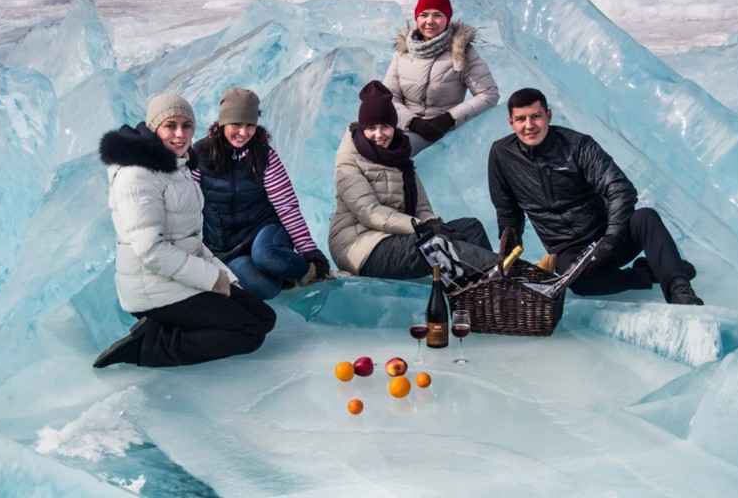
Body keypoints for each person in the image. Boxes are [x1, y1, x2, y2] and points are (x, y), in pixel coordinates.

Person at [94, 92, 276, 368]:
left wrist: (226, 277)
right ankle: (150, 347)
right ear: (155, 128)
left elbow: (190, 239)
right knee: (249, 333)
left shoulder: (176, 167)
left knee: (264, 318)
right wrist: (212, 279)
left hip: (178, 277)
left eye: (186, 125)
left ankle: (162, 328)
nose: (180, 134)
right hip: (154, 288)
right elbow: (152, 251)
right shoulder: (137, 176)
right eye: (170, 126)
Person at [487, 88, 703, 305]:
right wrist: (508, 261)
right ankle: (650, 272)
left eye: (536, 116)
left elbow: (620, 188)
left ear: (548, 116)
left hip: (610, 235)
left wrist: (610, 240)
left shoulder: (577, 145)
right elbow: (508, 212)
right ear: (511, 122)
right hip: (568, 250)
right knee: (577, 283)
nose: (529, 125)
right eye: (521, 119)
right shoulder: (502, 154)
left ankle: (679, 289)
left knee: (645, 217)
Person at [329, 80, 498, 280]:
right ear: (362, 127)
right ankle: (503, 274)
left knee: (469, 228)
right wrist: (421, 227)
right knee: (435, 246)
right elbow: (368, 212)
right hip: (360, 246)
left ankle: (482, 291)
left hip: (399, 236)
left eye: (385, 126)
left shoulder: (400, 156)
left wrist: (432, 224)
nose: (379, 134)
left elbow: (422, 209)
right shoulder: (349, 160)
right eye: (371, 127)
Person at [194, 87, 331, 301]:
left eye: (250, 125)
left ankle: (308, 273)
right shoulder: (200, 155)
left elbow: (286, 206)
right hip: (226, 248)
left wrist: (310, 253)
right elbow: (187, 205)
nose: (243, 132)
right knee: (263, 288)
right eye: (236, 124)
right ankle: (280, 276)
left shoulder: (264, 155)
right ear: (223, 123)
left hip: (265, 233)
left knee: (266, 255)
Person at [382, 0, 500, 155]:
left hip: (437, 129)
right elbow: (387, 96)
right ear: (417, 18)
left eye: (437, 15)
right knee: (355, 142)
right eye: (424, 15)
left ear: (447, 19)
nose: (430, 21)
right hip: (403, 124)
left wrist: (450, 119)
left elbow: (489, 94)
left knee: (390, 153)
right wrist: (412, 122)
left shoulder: (461, 52)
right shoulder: (402, 53)